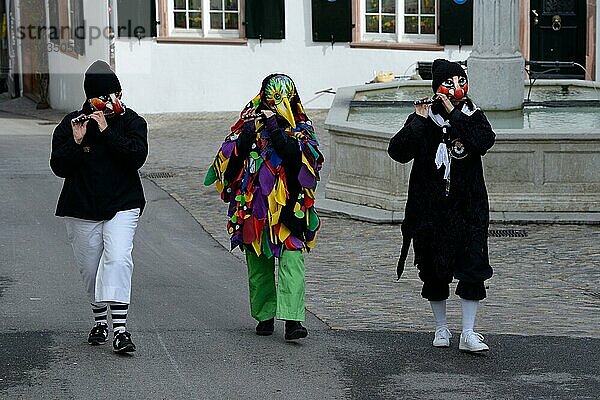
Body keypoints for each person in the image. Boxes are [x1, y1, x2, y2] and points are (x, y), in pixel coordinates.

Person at [204, 74, 324, 341]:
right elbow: (229, 163)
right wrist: (248, 133)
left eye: (285, 97)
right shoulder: (249, 120)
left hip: (290, 206)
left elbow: (300, 161)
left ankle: (293, 320)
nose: (279, 103)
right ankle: (264, 315)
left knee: (292, 260)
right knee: (258, 261)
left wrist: (276, 128)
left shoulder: (301, 125)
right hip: (254, 204)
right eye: (274, 97)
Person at [388, 59, 495, 353]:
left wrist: (455, 115)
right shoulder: (425, 120)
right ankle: (441, 327)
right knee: (434, 270)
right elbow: (398, 152)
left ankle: (469, 332)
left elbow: (484, 141)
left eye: (462, 81)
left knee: (473, 267)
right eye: (450, 83)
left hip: (468, 209)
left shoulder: (472, 115)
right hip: (431, 211)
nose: (457, 88)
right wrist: (418, 120)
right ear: (437, 87)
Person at [50, 60, 148, 354]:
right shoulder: (72, 124)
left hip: (123, 202)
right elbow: (59, 166)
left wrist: (106, 131)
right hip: (81, 205)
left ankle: (120, 330)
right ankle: (100, 322)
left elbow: (136, 158)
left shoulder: (132, 122)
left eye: (115, 94)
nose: (110, 102)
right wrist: (77, 142)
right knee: (90, 268)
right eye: (103, 97)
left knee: (117, 258)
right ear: (90, 98)